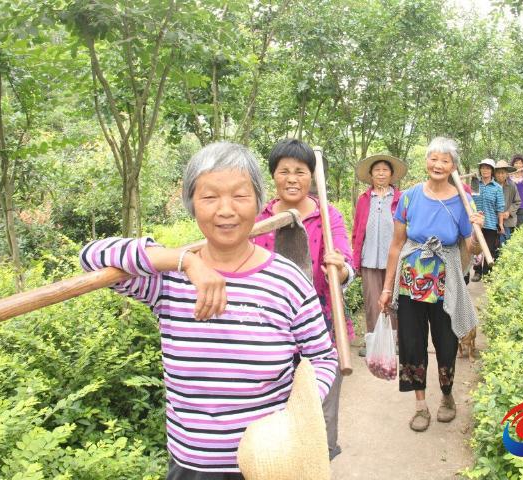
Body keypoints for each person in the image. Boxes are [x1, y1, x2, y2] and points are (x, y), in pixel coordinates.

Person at [79, 142, 338, 479]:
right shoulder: (168, 282)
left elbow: (322, 357)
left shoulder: (287, 280)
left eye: (240, 196)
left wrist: (296, 414)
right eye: (210, 197)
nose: (226, 210)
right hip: (194, 464)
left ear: (258, 201)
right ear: (192, 205)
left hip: (270, 462)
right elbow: (91, 257)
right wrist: (185, 261)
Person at [252, 138, 354, 461]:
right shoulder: (259, 218)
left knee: (321, 414)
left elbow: (346, 264)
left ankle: (319, 463)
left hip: (321, 328)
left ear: (311, 176)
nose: (292, 179)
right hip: (269, 332)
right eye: (284, 171)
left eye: (300, 171)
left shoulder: (327, 216)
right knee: (276, 417)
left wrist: (340, 270)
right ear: (273, 175)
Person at [378, 137, 484, 433]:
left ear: (453, 166)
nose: (438, 165)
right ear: (426, 161)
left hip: (445, 282)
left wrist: (477, 229)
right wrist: (387, 288)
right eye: (433, 159)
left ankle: (447, 396)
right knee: (412, 344)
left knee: (446, 343)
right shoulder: (409, 197)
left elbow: (473, 249)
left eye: (445, 161)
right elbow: (396, 245)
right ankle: (420, 405)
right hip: (410, 282)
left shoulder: (463, 200)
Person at [351, 153, 407, 356]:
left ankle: (395, 341)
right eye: (377, 170)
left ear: (391, 174)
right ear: (371, 175)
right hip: (369, 258)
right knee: (372, 302)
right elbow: (357, 230)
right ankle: (373, 342)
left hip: (395, 259)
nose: (381, 173)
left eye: (385, 170)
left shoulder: (401, 198)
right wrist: (355, 258)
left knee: (393, 301)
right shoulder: (364, 199)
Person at [471, 158, 504, 282]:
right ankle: (477, 271)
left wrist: (500, 224)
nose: (485, 170)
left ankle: (487, 273)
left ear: (492, 171)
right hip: (476, 223)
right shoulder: (475, 184)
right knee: (477, 249)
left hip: (490, 222)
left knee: (489, 249)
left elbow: (500, 207)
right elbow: (471, 202)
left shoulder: (497, 187)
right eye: (483, 168)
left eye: (487, 168)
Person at [494, 160, 521, 247]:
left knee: (505, 244)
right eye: (498, 173)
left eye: (502, 173)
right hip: (493, 220)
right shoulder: (492, 185)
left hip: (507, 221)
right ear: (495, 174)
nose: (500, 175)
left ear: (506, 174)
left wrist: (508, 212)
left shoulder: (512, 185)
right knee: (493, 244)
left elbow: (517, 201)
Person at [510, 154, 523, 227]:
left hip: (522, 206)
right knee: (511, 227)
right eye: (516, 163)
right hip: (510, 205)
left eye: (520, 163)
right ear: (513, 164)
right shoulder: (509, 176)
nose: (518, 165)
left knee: (520, 227)